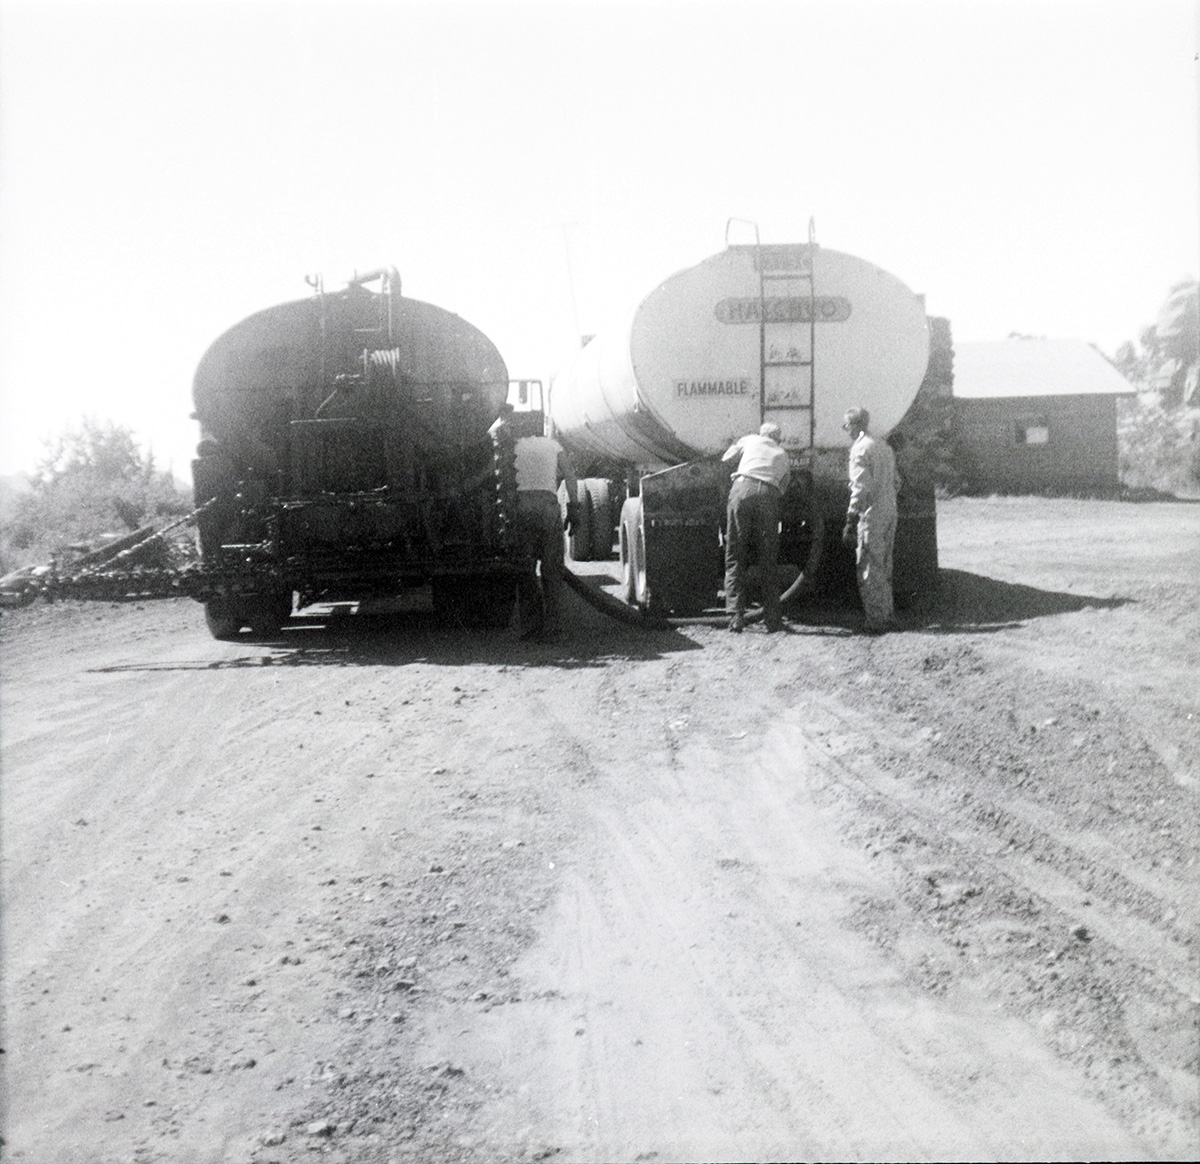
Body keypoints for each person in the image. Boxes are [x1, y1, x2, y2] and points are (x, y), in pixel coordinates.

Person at [490, 405, 578, 640]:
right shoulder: (553, 445)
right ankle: (554, 629)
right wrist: (574, 508)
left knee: (526, 571)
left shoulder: (515, 447)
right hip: (548, 508)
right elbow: (570, 476)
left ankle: (531, 628)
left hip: (523, 509)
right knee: (551, 570)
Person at [721, 421, 791, 633]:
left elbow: (726, 459)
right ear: (777, 438)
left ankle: (735, 617)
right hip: (768, 495)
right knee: (768, 557)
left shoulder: (750, 440)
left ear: (761, 434)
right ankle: (772, 619)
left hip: (742, 489)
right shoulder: (782, 453)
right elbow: (784, 486)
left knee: (735, 554)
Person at [841, 406, 899, 633]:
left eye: (846, 426)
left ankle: (876, 620)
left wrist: (850, 518)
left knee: (868, 565)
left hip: (871, 513)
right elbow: (897, 481)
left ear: (855, 426)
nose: (846, 431)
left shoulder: (860, 450)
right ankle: (887, 614)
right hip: (889, 509)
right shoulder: (884, 446)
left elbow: (860, 488)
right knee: (885, 564)